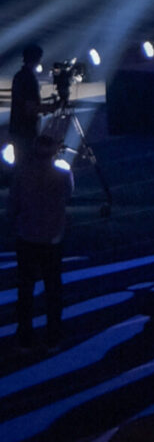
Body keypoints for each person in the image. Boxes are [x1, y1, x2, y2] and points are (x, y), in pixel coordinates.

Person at [9, 130, 74, 352]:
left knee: (25, 289)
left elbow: (13, 205)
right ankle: (53, 336)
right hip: (52, 240)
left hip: (26, 237)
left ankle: (25, 336)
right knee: (53, 289)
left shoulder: (21, 174)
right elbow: (68, 194)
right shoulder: (62, 175)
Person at [9, 42, 44, 164]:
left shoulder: (19, 76)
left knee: (20, 166)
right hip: (26, 132)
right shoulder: (29, 78)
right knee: (27, 166)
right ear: (37, 58)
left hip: (18, 130)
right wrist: (50, 107)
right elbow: (30, 108)